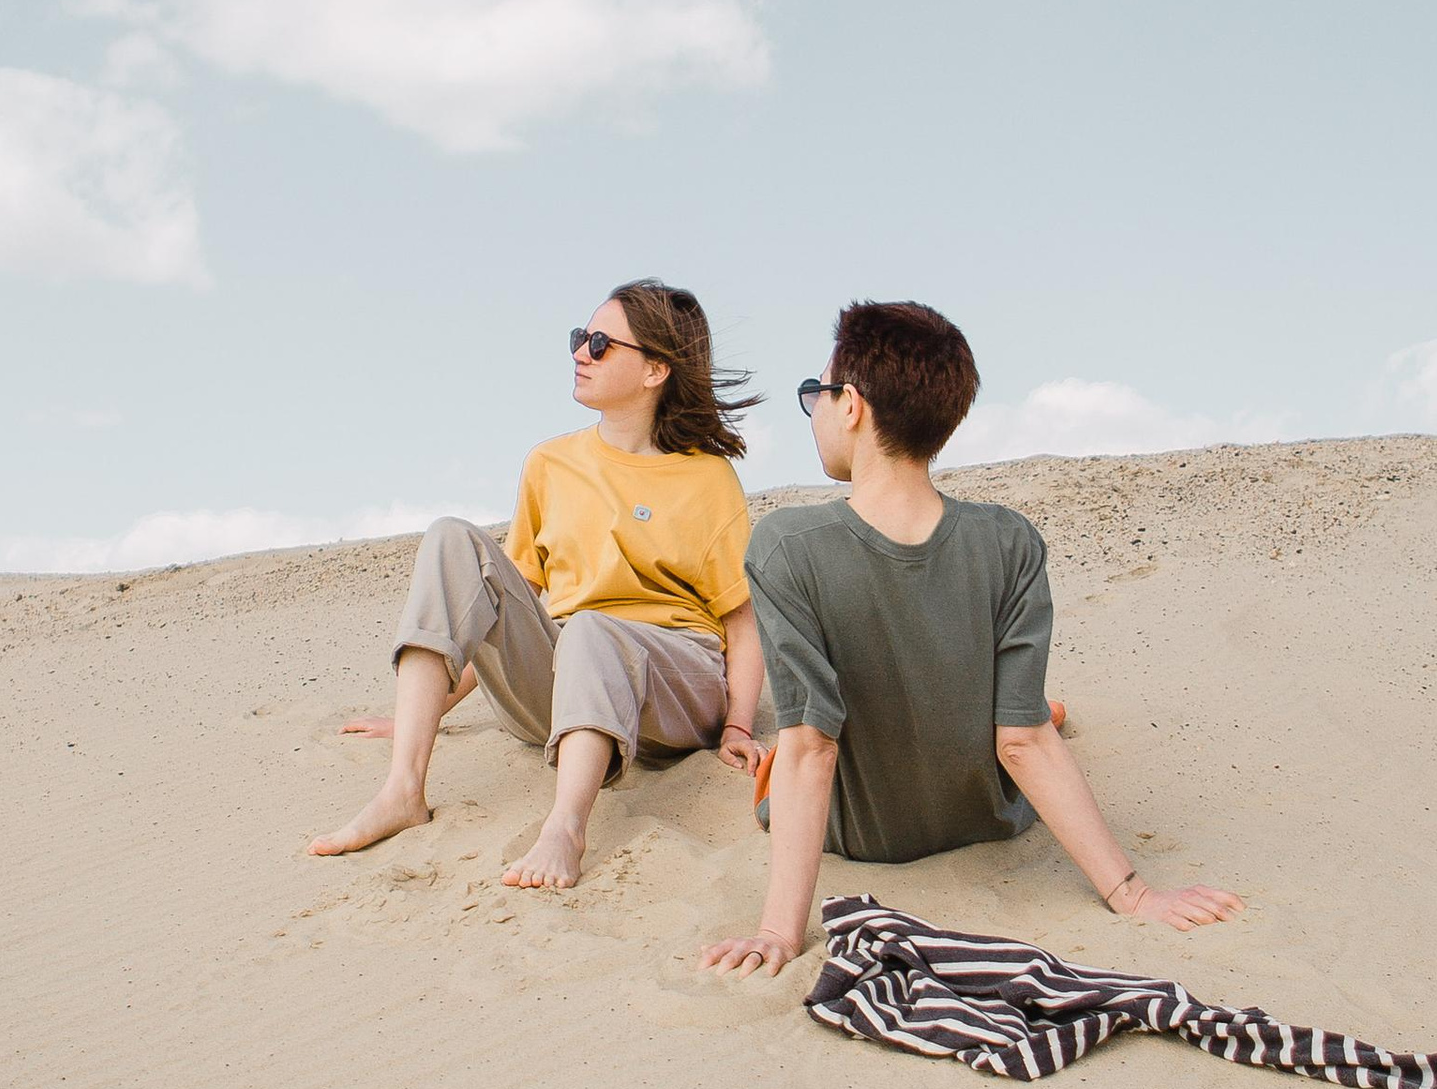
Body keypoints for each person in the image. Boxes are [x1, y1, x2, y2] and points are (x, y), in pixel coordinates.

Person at [701, 299, 1241, 976]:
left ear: (852, 407)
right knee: (1031, 714)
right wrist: (1132, 894)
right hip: (985, 815)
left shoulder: (786, 545)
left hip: (860, 836)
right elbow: (1021, 741)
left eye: (818, 392)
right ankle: (1051, 707)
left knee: (783, 751)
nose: (814, 408)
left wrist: (779, 933)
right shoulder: (1008, 539)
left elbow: (813, 746)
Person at [313, 282, 765, 893]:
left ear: (656, 368)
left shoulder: (708, 479)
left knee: (594, 629)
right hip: (565, 680)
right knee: (452, 539)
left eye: (600, 343)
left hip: (673, 683)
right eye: (580, 338)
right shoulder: (550, 463)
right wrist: (426, 710)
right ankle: (402, 790)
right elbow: (498, 603)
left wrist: (738, 727)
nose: (581, 352)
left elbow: (742, 623)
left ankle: (566, 829)